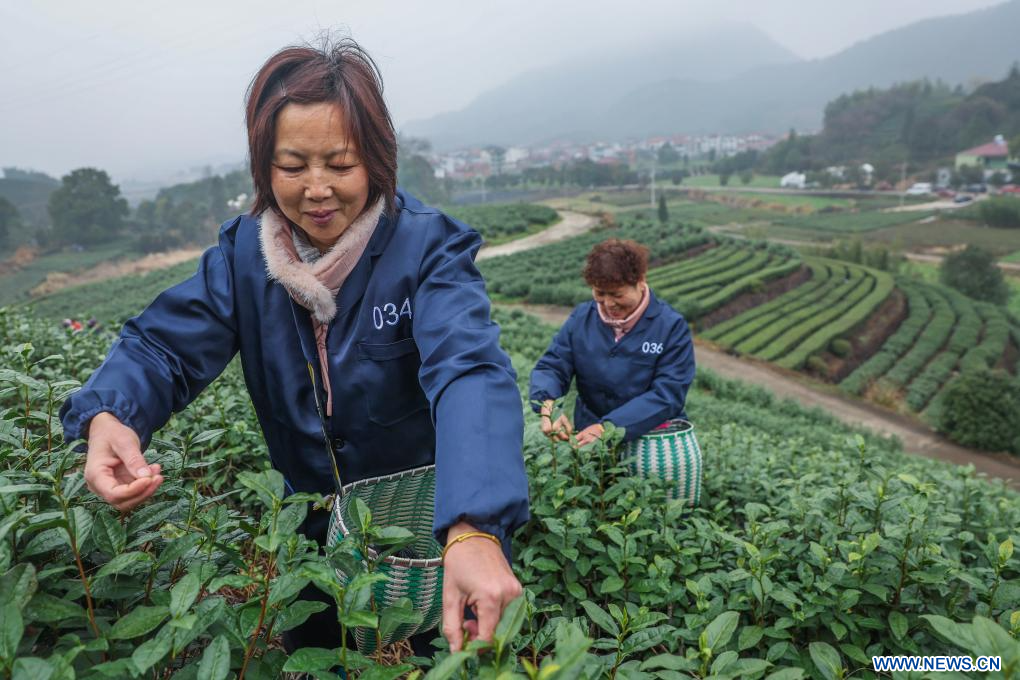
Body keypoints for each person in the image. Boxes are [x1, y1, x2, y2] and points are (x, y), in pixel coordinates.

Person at [59, 39, 529, 655]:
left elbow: (468, 370)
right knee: (317, 649)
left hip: (423, 518)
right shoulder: (244, 258)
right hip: (308, 522)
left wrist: (473, 524)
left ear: (376, 160)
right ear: (264, 168)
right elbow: (164, 345)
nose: (317, 189)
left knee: (435, 651)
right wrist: (111, 413)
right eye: (292, 166)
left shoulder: (426, 251)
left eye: (340, 163)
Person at [529, 239, 695, 446]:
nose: (608, 304)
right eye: (600, 293)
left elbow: (668, 394)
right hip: (588, 439)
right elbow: (552, 366)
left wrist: (608, 428)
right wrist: (548, 405)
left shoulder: (670, 327)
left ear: (640, 281)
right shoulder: (582, 318)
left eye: (617, 294)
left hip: (650, 442)